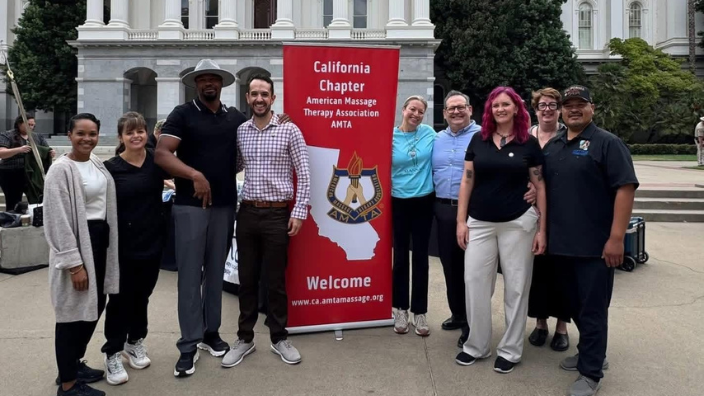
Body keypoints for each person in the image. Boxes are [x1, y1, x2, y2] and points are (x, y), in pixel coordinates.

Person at [544, 86, 638, 396]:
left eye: (579, 105)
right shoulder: (554, 145)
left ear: (591, 108)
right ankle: (590, 351)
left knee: (593, 309)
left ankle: (591, 372)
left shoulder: (607, 144)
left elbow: (625, 189)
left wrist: (616, 239)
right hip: (561, 245)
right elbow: (543, 185)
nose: (573, 109)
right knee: (571, 305)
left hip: (596, 246)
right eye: (567, 105)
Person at [155, 59, 246, 377]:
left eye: (214, 79)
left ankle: (210, 333)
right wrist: (194, 174)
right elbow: (162, 153)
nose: (209, 83)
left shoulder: (234, 117)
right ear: (195, 84)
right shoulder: (182, 114)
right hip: (190, 207)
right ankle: (188, 343)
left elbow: (249, 146)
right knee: (191, 277)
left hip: (224, 206)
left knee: (216, 276)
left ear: (222, 83)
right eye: (203, 79)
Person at [455, 87, 547, 375]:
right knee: (474, 283)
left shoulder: (528, 143)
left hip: (518, 223)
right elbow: (466, 181)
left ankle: (510, 350)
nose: (500, 109)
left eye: (506, 104)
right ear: (489, 110)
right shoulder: (477, 140)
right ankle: (476, 345)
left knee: (517, 287)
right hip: (480, 223)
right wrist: (461, 221)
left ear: (517, 108)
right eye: (495, 105)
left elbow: (540, 185)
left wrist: (542, 228)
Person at [221, 74, 310, 367]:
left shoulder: (289, 130)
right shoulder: (241, 132)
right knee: (246, 279)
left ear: (273, 99)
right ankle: (245, 339)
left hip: (276, 215)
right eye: (254, 94)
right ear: (247, 98)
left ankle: (278, 337)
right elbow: (232, 166)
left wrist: (299, 212)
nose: (259, 99)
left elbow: (305, 173)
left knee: (275, 281)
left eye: (265, 94)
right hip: (246, 213)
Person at [44, 113, 119, 396]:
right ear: (69, 135)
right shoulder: (60, 169)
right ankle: (68, 385)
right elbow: (58, 220)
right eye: (81, 133)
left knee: (93, 308)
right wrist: (74, 264)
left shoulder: (96, 163)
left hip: (100, 242)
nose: (87, 139)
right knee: (71, 315)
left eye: (92, 134)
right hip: (78, 245)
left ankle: (73, 365)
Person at [100, 112, 169, 385]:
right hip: (123, 246)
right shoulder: (110, 168)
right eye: (130, 132)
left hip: (152, 241)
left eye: (140, 131)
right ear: (121, 137)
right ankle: (112, 351)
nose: (136, 136)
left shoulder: (156, 160)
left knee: (143, 296)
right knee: (121, 300)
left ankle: (135, 340)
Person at [432, 90, 481, 346]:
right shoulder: (436, 138)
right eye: (451, 108)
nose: (456, 112)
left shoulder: (483, 136)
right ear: (444, 113)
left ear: (470, 109)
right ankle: (459, 314)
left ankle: (472, 325)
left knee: (471, 271)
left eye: (461, 107)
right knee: (450, 267)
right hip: (443, 210)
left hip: (474, 213)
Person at [526, 88, 571, 352]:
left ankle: (562, 327)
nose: (547, 110)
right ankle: (540, 323)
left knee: (563, 271)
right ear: (535, 109)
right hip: (531, 214)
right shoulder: (527, 136)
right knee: (537, 271)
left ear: (559, 109)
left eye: (553, 105)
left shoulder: (568, 136)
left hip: (563, 214)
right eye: (542, 105)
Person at [390, 95, 436, 337]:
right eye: (412, 110)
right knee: (399, 257)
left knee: (420, 257)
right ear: (404, 110)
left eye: (421, 111)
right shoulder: (390, 136)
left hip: (424, 201)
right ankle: (400, 309)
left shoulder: (429, 133)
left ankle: (420, 312)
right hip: (398, 201)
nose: (416, 114)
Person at [0, 116, 54, 212]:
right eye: (28, 124)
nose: (31, 127)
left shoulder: (37, 137)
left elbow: (46, 150)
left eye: (33, 125)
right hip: (11, 173)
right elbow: (2, 153)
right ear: (19, 124)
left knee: (37, 198)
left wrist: (50, 153)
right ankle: (12, 219)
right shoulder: (7, 135)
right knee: (13, 201)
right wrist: (19, 150)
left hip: (33, 173)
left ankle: (36, 218)